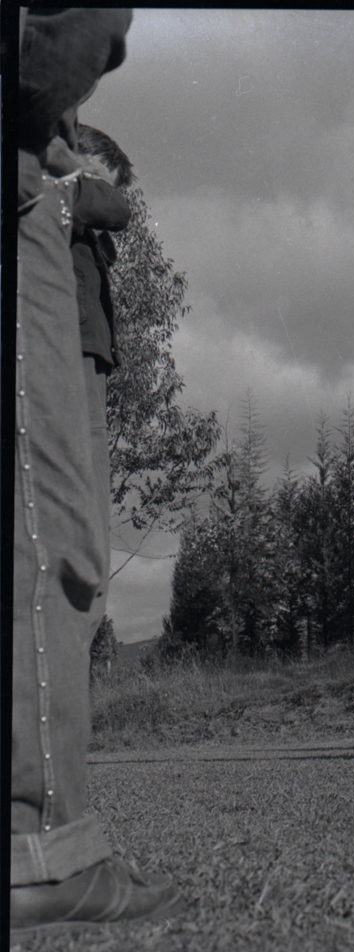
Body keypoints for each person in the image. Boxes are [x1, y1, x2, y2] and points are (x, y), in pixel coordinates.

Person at [12, 7, 181, 937]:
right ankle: (40, 850)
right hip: (46, 295)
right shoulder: (57, 177)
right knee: (54, 548)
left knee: (59, 549)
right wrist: (77, 178)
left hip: (72, 324)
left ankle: (45, 836)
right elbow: (50, 62)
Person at [72, 124, 135, 665]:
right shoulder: (50, 186)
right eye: (99, 177)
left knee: (91, 529)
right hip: (68, 360)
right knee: (81, 529)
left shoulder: (78, 219)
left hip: (87, 363)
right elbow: (116, 209)